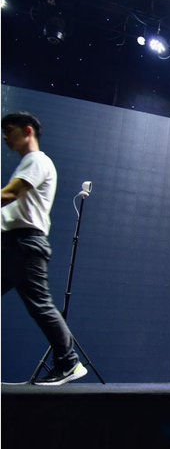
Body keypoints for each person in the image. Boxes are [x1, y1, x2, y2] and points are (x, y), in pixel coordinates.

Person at [1, 112, 87, 386]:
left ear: (28, 131)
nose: (5, 137)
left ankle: (69, 362)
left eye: (9, 130)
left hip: (24, 244)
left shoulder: (37, 160)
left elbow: (10, 194)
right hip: (14, 243)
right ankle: (68, 362)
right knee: (40, 305)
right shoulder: (29, 163)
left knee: (41, 305)